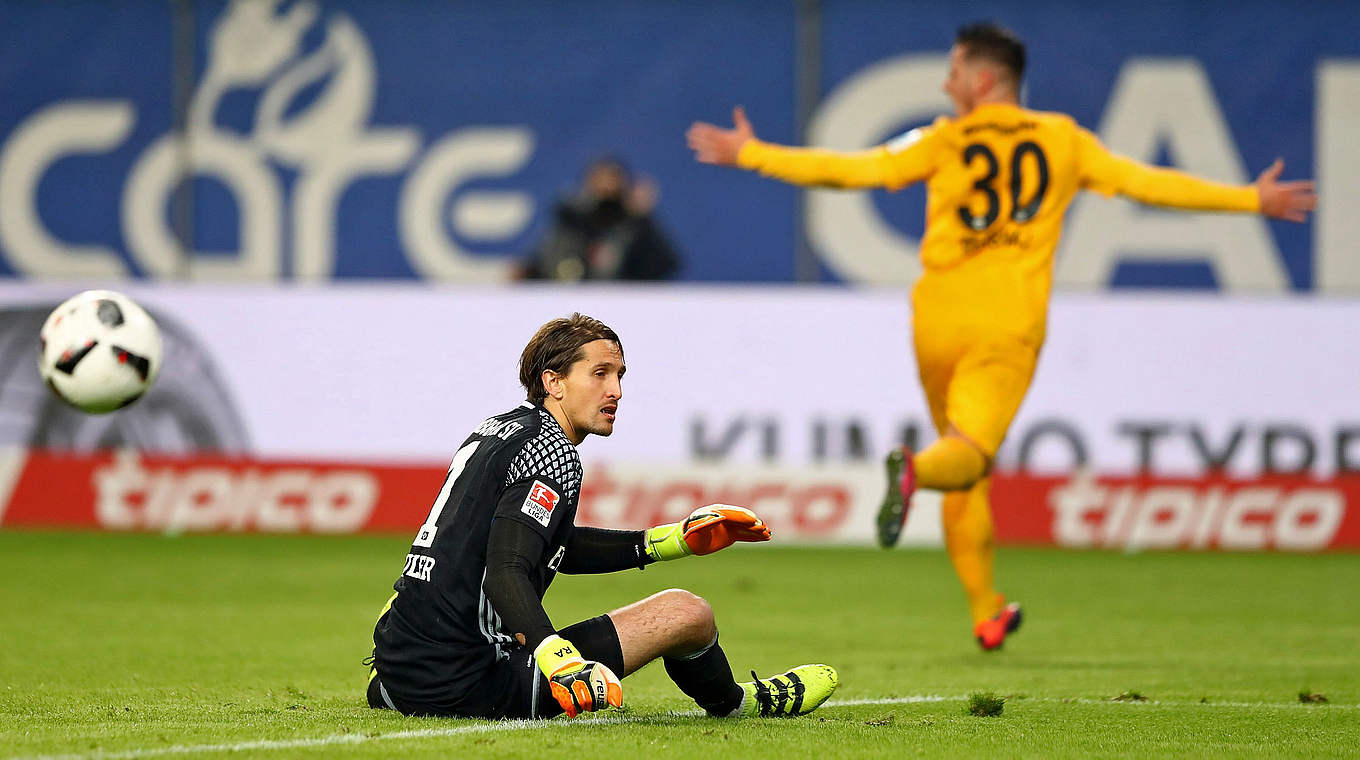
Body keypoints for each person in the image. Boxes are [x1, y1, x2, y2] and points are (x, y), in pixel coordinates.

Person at [686, 22, 1317, 651]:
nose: (945, 82)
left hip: (936, 316)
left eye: (955, 71)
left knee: (967, 462)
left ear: (983, 78)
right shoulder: (1062, 139)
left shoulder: (945, 139)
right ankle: (916, 472)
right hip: (1007, 321)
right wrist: (1249, 200)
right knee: (963, 456)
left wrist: (755, 154)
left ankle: (985, 608)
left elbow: (857, 171)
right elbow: (1147, 183)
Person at [366, 313, 838, 719]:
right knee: (688, 613)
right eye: (600, 374)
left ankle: (403, 688)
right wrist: (561, 661)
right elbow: (506, 570)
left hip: (398, 666)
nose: (615, 390)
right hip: (467, 679)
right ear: (554, 382)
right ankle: (738, 704)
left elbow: (545, 545)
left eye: (620, 375)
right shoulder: (552, 451)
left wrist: (674, 540)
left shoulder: (500, 429)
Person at [518, 158, 680, 281]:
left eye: (612, 180)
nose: (605, 187)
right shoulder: (571, 220)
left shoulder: (635, 225)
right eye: (599, 179)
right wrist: (527, 273)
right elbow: (546, 260)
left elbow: (664, 266)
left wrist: (642, 217)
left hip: (621, 304)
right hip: (569, 304)